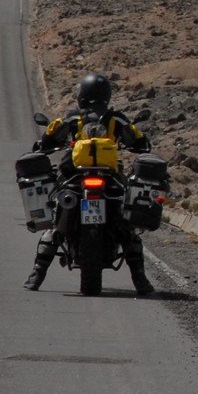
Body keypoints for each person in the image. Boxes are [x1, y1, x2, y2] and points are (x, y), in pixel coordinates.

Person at [23, 73, 155, 295]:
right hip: (110, 180)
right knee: (126, 228)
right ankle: (140, 279)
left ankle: (37, 274)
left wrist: (43, 144)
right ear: (106, 95)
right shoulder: (117, 120)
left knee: (56, 226)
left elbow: (48, 139)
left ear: (81, 94)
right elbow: (140, 142)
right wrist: (138, 145)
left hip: (74, 179)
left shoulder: (72, 119)